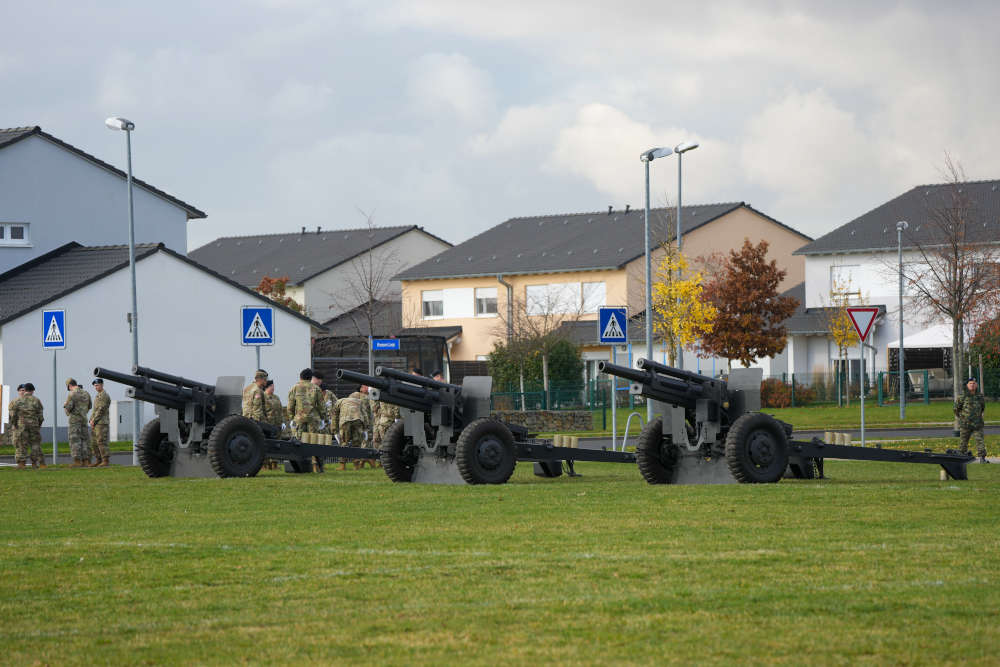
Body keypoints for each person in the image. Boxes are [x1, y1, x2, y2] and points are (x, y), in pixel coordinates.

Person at [287, 368, 325, 471]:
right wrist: (323, 419)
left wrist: (291, 418)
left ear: (300, 377)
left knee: (298, 442)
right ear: (311, 377)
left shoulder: (295, 388)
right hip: (314, 419)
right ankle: (319, 466)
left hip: (299, 419)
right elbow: (321, 406)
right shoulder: (316, 388)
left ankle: (300, 466)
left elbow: (290, 406)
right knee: (315, 442)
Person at [332, 388, 370, 470]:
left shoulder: (340, 401)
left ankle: (342, 465)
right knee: (356, 443)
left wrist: (335, 431)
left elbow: (334, 416)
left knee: (344, 443)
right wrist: (366, 428)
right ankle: (356, 465)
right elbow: (365, 415)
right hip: (358, 420)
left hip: (345, 421)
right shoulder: (359, 402)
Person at [955, 377, 988, 463]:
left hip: (977, 424)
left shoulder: (979, 396)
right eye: (970, 383)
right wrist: (962, 418)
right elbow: (956, 409)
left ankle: (982, 458)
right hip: (965, 424)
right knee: (963, 442)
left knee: (980, 441)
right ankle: (961, 458)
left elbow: (982, 407)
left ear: (976, 385)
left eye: (974, 383)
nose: (972, 385)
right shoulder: (962, 396)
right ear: (967, 385)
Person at [12, 383, 44, 469]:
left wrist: (15, 424)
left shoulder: (17, 400)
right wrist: (39, 425)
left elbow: (14, 415)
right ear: (33, 391)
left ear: (25, 390)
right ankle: (34, 463)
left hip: (21, 425)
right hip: (34, 425)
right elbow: (41, 416)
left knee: (21, 444)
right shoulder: (36, 400)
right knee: (35, 444)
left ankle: (22, 464)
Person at [63, 378, 92, 467]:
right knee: (84, 440)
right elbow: (89, 406)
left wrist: (65, 406)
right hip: (83, 419)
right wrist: (83, 413)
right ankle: (86, 461)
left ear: (69, 385)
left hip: (74, 421)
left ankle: (77, 461)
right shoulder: (86, 393)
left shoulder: (72, 394)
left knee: (75, 440)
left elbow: (68, 408)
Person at [88, 378, 111, 467]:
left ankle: (105, 460)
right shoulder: (98, 396)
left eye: (97, 385)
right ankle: (98, 459)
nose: (96, 387)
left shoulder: (104, 396)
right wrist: (91, 419)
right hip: (96, 423)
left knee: (101, 441)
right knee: (94, 442)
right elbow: (94, 410)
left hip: (102, 423)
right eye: (95, 386)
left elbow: (101, 410)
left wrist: (94, 420)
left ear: (102, 385)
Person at [263, 380, 284, 470]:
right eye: (272, 386)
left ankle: (274, 464)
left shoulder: (276, 397)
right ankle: (265, 465)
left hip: (277, 425)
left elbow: (280, 410)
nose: (273, 388)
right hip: (268, 424)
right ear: (267, 387)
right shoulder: (263, 397)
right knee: (267, 443)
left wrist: (282, 421)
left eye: (273, 386)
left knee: (276, 444)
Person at [7, 384, 26, 469]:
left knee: (26, 444)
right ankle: (20, 463)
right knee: (17, 444)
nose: (23, 392)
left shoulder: (31, 401)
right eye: (21, 390)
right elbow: (11, 414)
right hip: (17, 426)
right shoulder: (14, 402)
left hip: (28, 426)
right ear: (18, 391)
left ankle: (26, 462)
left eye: (24, 390)